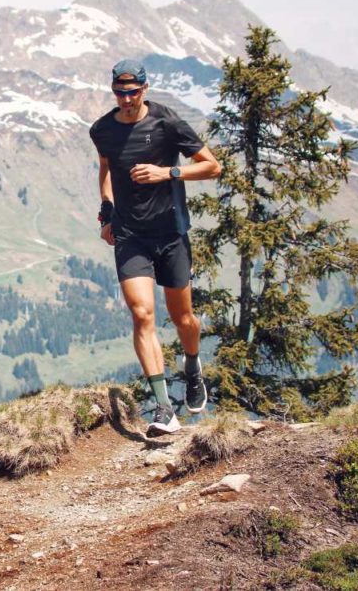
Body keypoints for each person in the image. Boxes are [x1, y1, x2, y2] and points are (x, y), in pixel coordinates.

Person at [90, 60, 222, 436]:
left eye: (133, 92)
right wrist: (106, 213)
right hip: (131, 236)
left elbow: (213, 167)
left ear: (145, 89)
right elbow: (106, 169)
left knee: (184, 319)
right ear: (113, 91)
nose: (127, 99)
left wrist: (169, 173)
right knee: (142, 314)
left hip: (171, 233)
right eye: (120, 93)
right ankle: (165, 407)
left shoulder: (167, 123)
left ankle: (193, 367)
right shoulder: (102, 130)